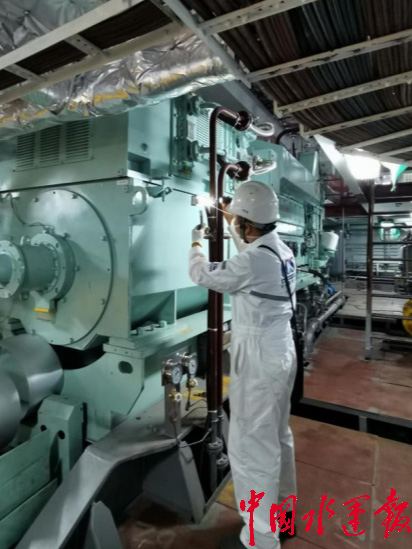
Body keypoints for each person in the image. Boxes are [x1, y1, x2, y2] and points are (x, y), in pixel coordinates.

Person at [188, 181, 297, 549]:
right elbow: (249, 259)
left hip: (259, 356)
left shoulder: (252, 261)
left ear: (248, 224)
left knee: (251, 447)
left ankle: (261, 538)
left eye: (238, 220)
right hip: (280, 349)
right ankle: (283, 518)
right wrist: (229, 219)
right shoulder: (279, 249)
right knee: (277, 438)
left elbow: (202, 275)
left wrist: (196, 243)